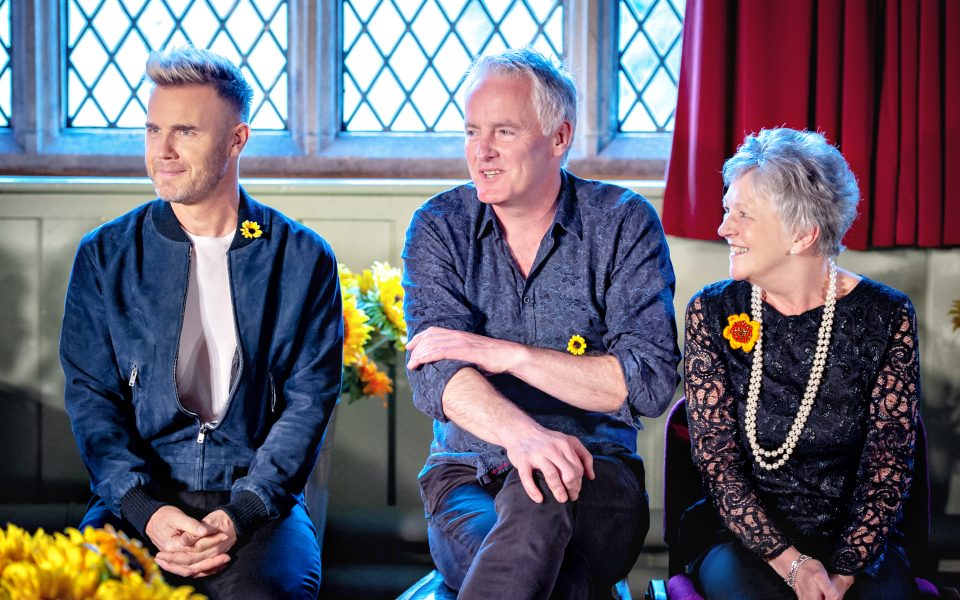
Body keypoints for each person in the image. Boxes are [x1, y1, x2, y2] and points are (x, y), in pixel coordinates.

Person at [59, 47, 342, 599]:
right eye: (152, 130)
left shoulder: (303, 257)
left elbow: (309, 403)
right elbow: (92, 401)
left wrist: (243, 511)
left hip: (258, 506)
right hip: (134, 502)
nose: (161, 151)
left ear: (237, 139)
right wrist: (148, 511)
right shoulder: (106, 255)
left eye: (184, 132)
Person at [402, 47, 680, 598]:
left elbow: (647, 381)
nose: (480, 152)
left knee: (539, 505)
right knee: (553, 567)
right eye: (471, 131)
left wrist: (507, 355)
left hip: (599, 478)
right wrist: (527, 438)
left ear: (559, 138)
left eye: (503, 132)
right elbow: (436, 375)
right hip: (468, 476)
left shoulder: (621, 223)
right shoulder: (440, 225)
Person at [682, 128, 920, 600]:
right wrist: (794, 566)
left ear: (803, 234)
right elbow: (718, 465)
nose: (723, 228)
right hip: (743, 540)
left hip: (857, 543)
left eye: (742, 215)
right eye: (728, 210)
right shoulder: (711, 311)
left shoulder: (887, 315)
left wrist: (844, 573)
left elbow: (887, 464)